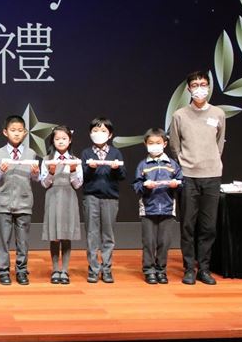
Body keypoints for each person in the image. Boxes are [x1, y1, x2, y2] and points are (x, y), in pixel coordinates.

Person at [168, 70, 226, 286]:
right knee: (188, 225)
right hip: (188, 176)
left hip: (212, 175)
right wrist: (185, 163)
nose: (199, 88)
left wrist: (212, 160)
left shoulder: (218, 113)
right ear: (189, 89)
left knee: (208, 226)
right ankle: (188, 269)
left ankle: (204, 268)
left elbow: (219, 142)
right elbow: (174, 145)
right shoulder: (179, 115)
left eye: (203, 84)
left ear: (209, 87)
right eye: (195, 85)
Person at [0, 115, 40, 286]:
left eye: (20, 130)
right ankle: (3, 271)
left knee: (23, 241)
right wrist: (0, 171)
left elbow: (37, 178)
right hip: (3, 202)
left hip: (24, 202)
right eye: (13, 130)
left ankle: (21, 271)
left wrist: (35, 172)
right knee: (3, 240)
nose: (17, 134)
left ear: (25, 132)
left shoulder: (31, 153)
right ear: (5, 132)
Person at [132, 128, 183, 285]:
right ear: (145, 144)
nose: (154, 146)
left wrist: (176, 184)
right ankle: (149, 270)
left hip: (167, 209)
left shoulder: (173, 165)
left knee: (164, 242)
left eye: (158, 143)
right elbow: (136, 186)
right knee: (149, 242)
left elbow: (182, 183)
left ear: (165, 144)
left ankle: (161, 270)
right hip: (148, 209)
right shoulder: (143, 165)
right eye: (151, 143)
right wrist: (145, 186)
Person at [79, 117, 126, 284]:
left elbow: (122, 175)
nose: (99, 133)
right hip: (91, 197)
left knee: (108, 235)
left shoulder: (115, 153)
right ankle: (93, 269)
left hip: (110, 198)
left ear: (110, 135)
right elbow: (82, 176)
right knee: (92, 234)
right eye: (95, 131)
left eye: (103, 131)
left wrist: (116, 169)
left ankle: (107, 269)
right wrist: (90, 169)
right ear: (90, 133)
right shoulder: (86, 153)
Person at [40, 125, 83, 285]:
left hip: (69, 197)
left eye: (64, 138)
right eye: (57, 139)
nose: (61, 141)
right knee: (54, 236)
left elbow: (78, 185)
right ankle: (55, 269)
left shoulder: (75, 160)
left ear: (70, 140)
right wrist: (51, 172)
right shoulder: (47, 159)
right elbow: (44, 184)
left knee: (66, 235)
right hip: (53, 197)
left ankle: (64, 270)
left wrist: (73, 170)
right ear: (53, 141)